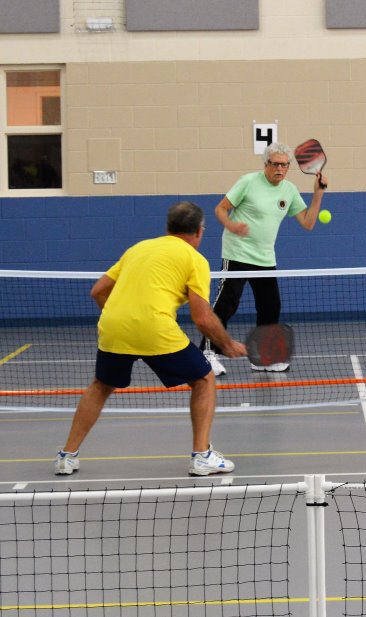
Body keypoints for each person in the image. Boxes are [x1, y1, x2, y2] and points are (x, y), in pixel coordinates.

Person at [54, 201, 247, 476]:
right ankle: (202, 455)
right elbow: (202, 318)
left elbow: (97, 291)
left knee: (101, 385)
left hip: (113, 324)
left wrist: (122, 319)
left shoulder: (138, 249)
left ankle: (66, 456)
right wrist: (227, 344)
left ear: (168, 228)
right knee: (204, 379)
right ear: (200, 231)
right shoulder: (195, 260)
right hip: (154, 326)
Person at [202, 142, 327, 376]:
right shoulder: (248, 182)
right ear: (266, 164)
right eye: (275, 164)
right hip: (237, 253)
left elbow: (308, 223)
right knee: (227, 304)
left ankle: (262, 358)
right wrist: (231, 225)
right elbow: (220, 209)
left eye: (284, 165)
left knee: (271, 307)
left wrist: (318, 194)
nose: (280, 169)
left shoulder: (289, 190)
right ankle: (207, 353)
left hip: (265, 258)